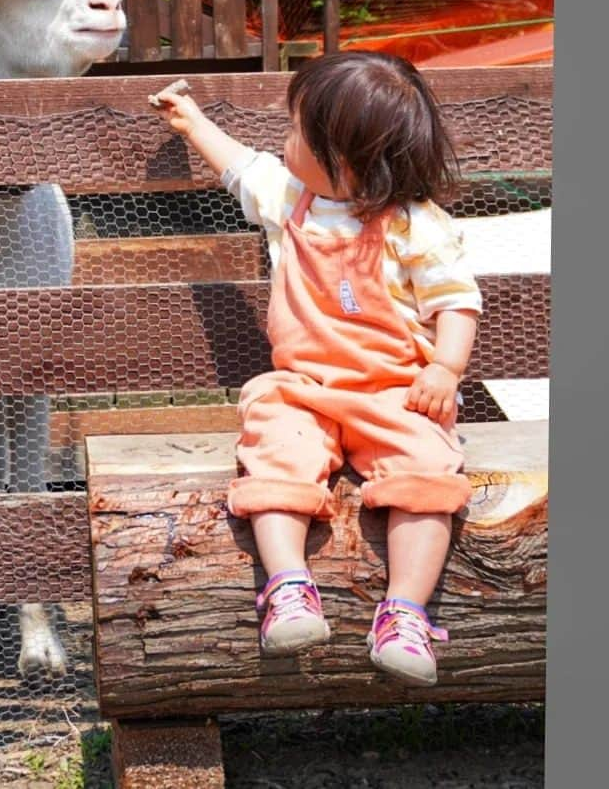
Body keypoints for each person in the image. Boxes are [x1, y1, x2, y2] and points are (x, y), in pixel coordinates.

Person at [151, 52, 481, 686]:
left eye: (298, 131)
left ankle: (405, 614)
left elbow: (456, 300)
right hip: (305, 388)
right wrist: (191, 123)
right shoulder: (291, 199)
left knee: (427, 478)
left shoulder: (414, 225)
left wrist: (444, 367)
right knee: (274, 450)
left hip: (395, 391)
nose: (284, 141)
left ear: (349, 160)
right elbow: (238, 166)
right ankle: (289, 586)